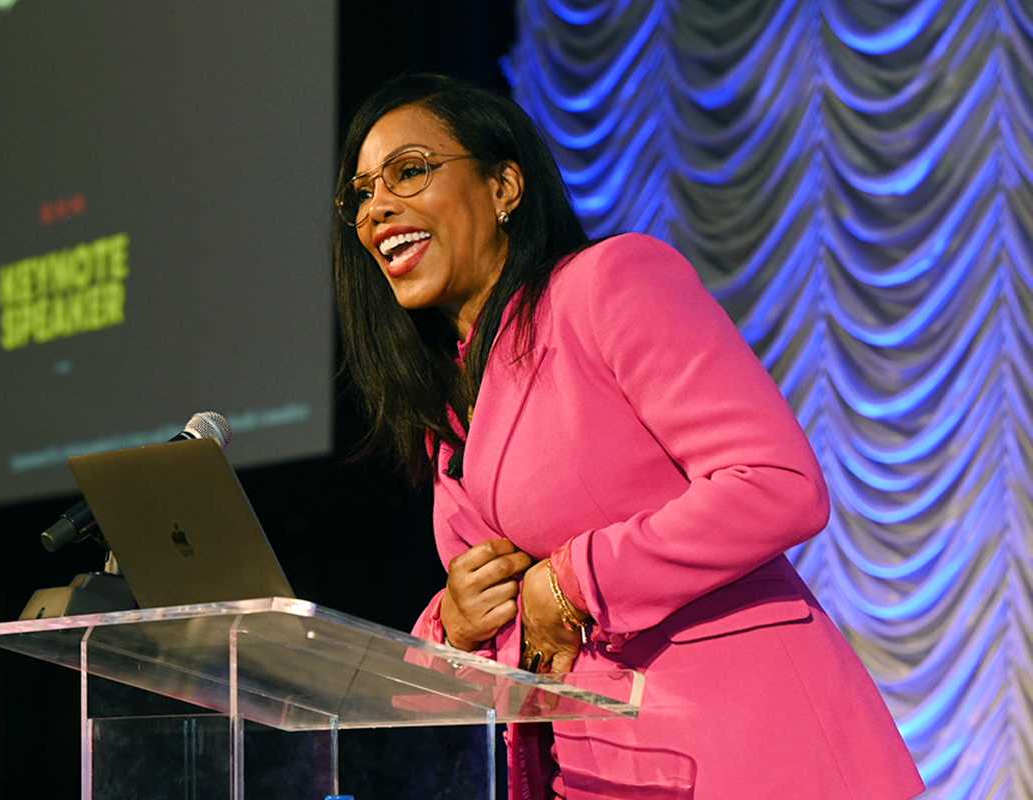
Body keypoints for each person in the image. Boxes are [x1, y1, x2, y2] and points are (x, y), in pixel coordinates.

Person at [332, 73, 925, 800]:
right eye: (360, 193)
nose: (376, 208)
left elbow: (778, 485)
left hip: (748, 750)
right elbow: (511, 638)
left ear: (505, 186)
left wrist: (576, 579)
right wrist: (454, 626)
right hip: (594, 773)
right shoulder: (450, 407)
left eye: (409, 172)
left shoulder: (609, 283)